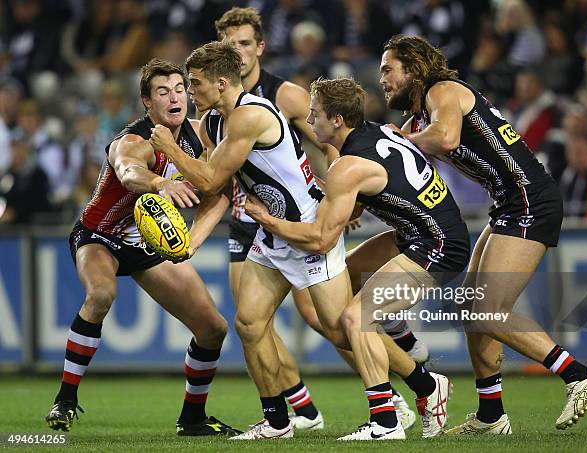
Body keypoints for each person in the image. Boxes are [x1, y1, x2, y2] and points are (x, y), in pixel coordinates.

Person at [149, 41, 439, 440]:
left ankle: (426, 385)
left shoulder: (250, 115)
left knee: (342, 330)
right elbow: (213, 183)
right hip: (271, 232)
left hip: (306, 230)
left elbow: (211, 179)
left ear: (220, 82)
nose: (189, 91)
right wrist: (189, 230)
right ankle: (276, 421)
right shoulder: (213, 121)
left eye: (195, 84)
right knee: (249, 324)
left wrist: (167, 149)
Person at [380, 34, 587, 433]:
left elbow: (447, 137)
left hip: (529, 199)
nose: (382, 79)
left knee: (487, 308)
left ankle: (578, 374)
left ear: (413, 69)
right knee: (472, 310)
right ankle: (490, 414)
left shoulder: (442, 91)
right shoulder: (416, 121)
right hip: (508, 204)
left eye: (388, 70)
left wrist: (404, 141)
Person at [213, 6, 423, 430]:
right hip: (247, 221)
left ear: (260, 47)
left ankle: (415, 384)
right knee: (252, 322)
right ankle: (299, 409)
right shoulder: (216, 108)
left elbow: (330, 142)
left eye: (243, 43)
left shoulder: (286, 95)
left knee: (328, 320)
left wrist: (340, 199)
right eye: (228, 45)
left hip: (299, 219)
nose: (236, 52)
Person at [244, 77, 470, 440]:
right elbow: (379, 186)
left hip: (437, 244)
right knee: (342, 277)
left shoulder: (347, 166)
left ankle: (386, 421)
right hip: (420, 232)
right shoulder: (378, 133)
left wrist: (269, 220)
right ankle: (418, 369)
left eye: (315, 114)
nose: (309, 120)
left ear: (336, 120)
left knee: (355, 316)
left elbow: (319, 240)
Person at [45, 58, 240, 437]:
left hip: (144, 242)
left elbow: (219, 194)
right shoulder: (134, 140)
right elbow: (128, 171)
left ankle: (193, 419)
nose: (175, 97)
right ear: (146, 103)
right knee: (101, 294)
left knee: (213, 328)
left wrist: (193, 241)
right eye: (163, 92)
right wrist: (158, 184)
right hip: (98, 235)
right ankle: (65, 399)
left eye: (180, 89)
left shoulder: (199, 135)